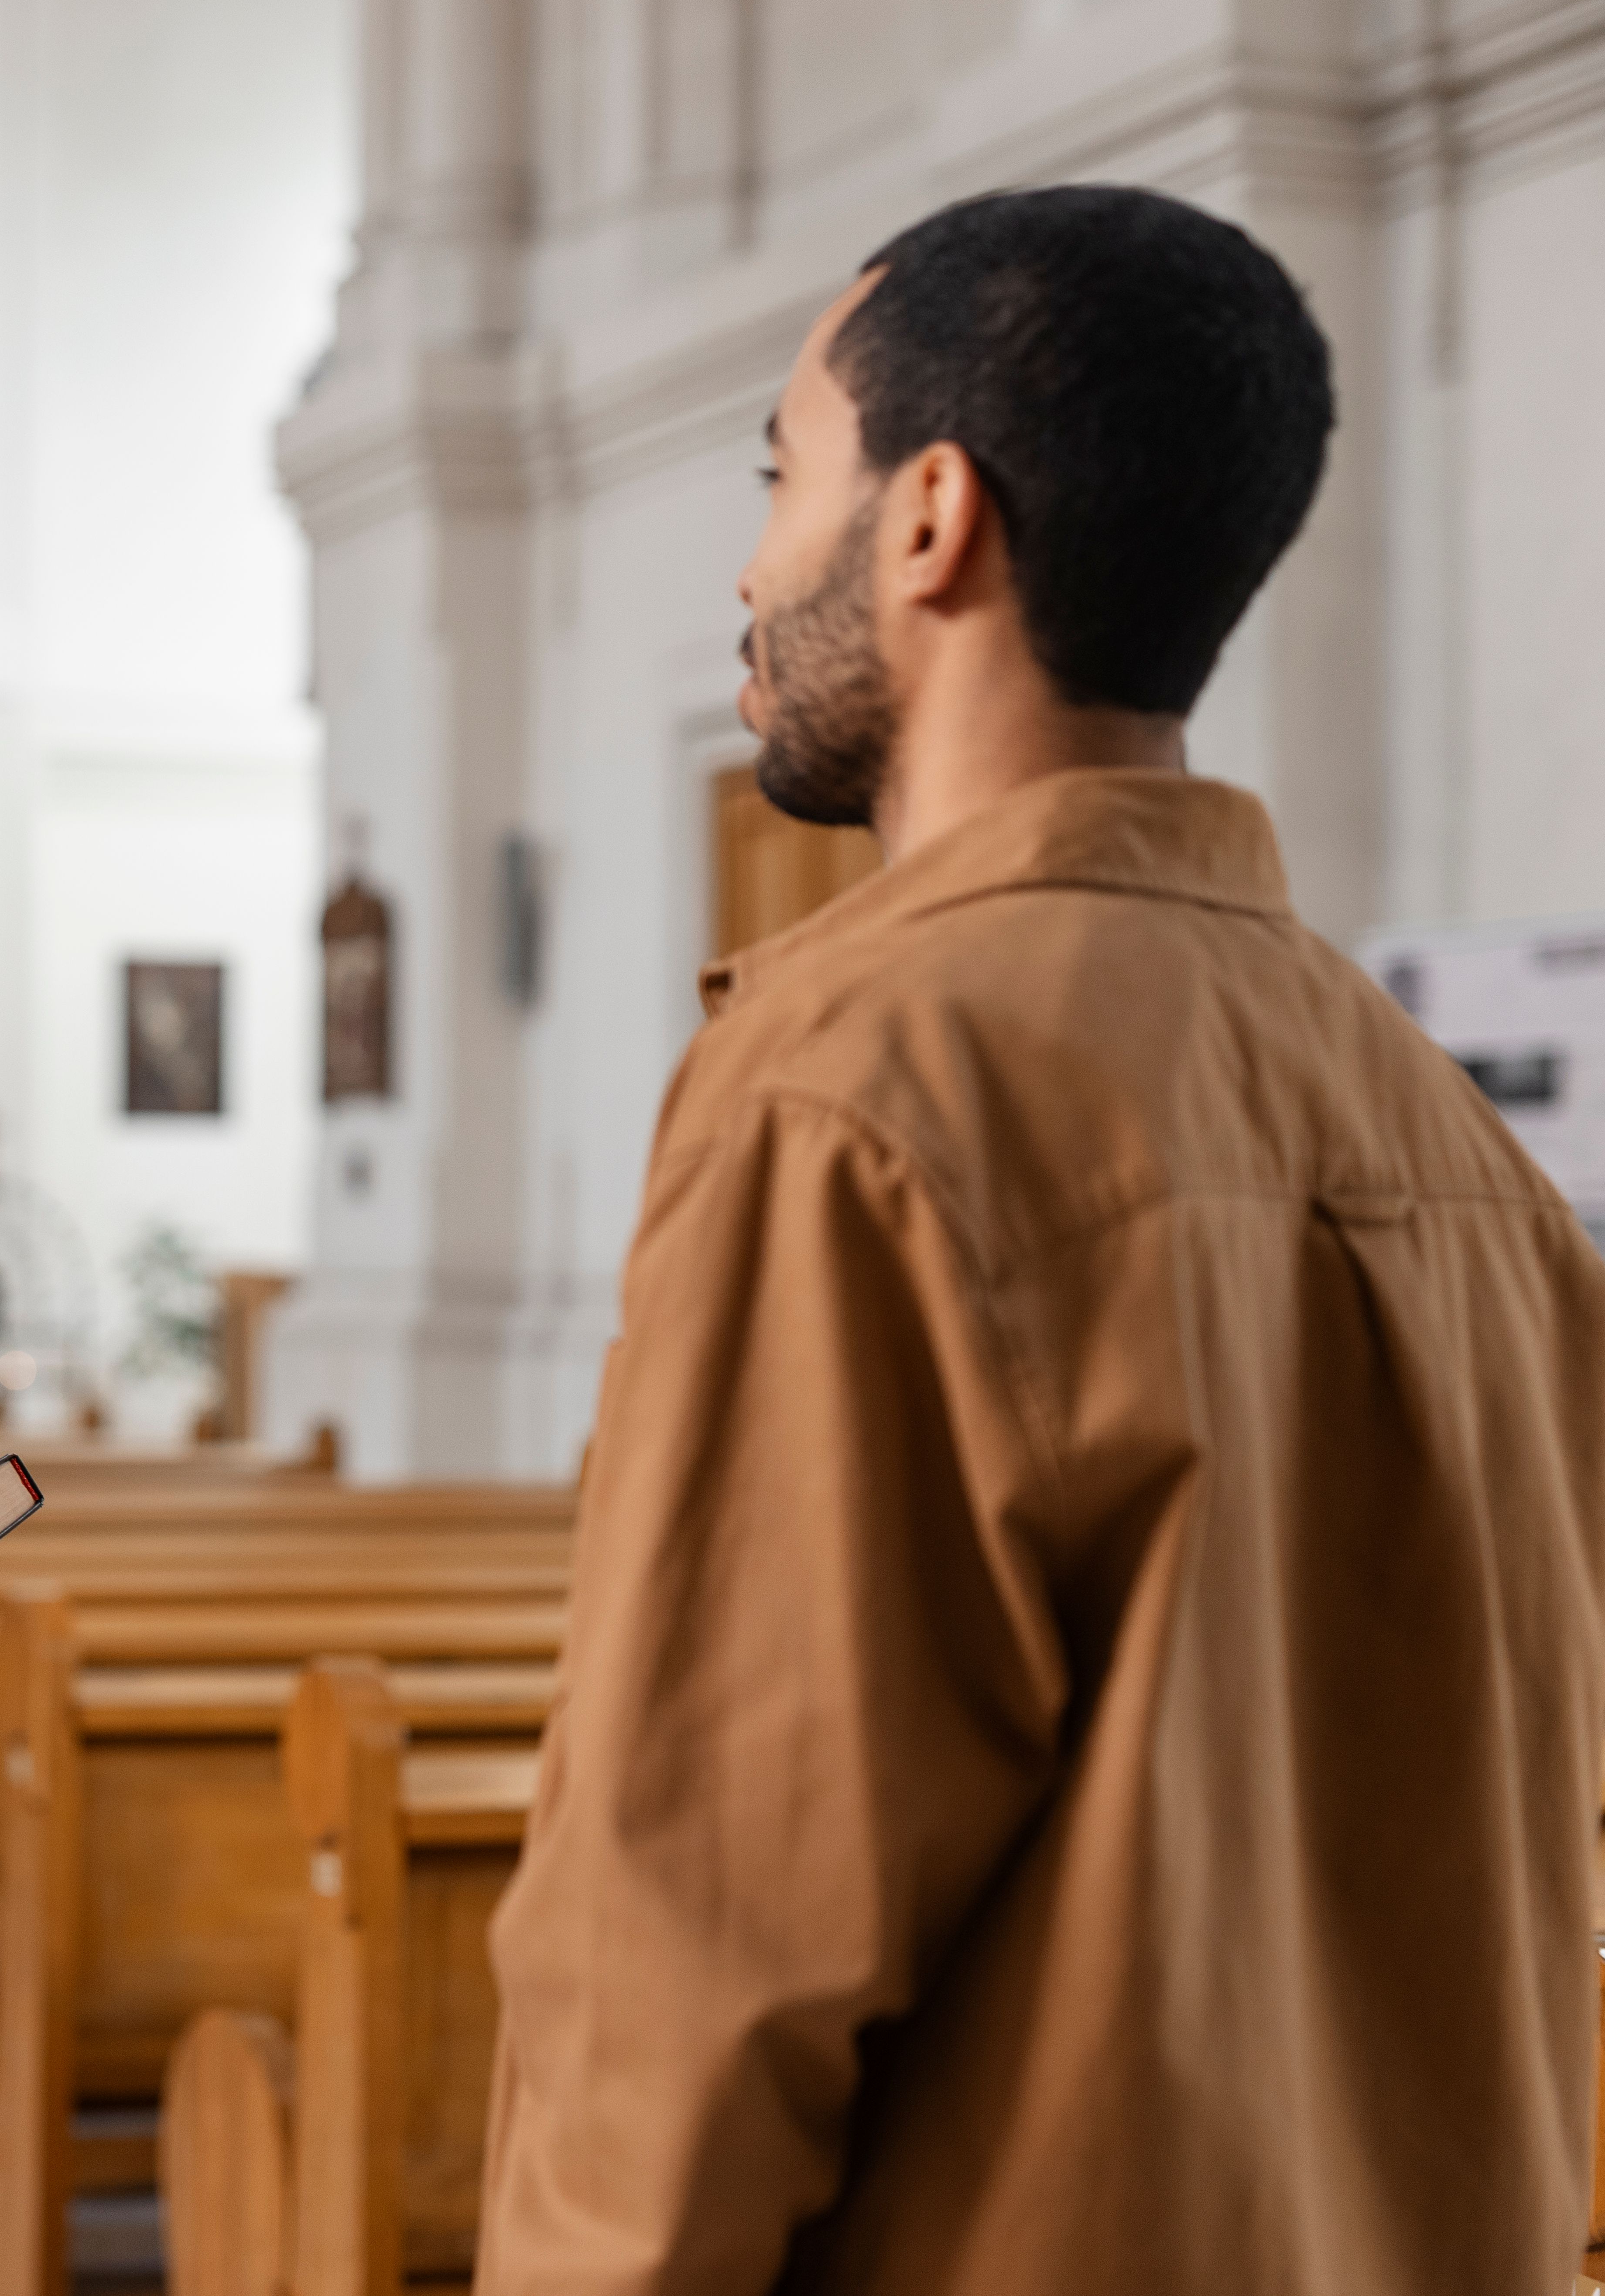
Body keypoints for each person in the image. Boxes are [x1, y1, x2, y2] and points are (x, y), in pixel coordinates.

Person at [478, 186, 1605, 2293]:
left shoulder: (851, 1084)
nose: (745, 566)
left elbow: (701, 1951)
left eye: (775, 475)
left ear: (926, 518)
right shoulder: (1453, 1139)